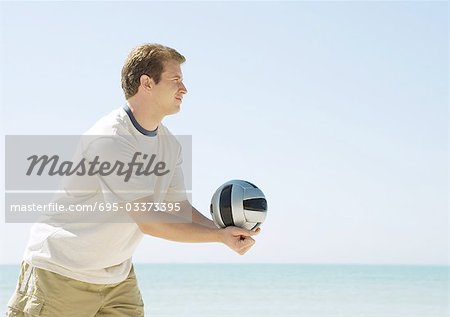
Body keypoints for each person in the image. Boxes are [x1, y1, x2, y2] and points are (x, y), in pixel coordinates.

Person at [6, 43, 260, 317]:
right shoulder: (112, 138)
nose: (184, 89)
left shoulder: (170, 145)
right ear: (147, 83)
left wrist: (224, 230)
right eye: (176, 80)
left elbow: (178, 208)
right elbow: (149, 221)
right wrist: (217, 237)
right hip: (62, 271)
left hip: (116, 277)